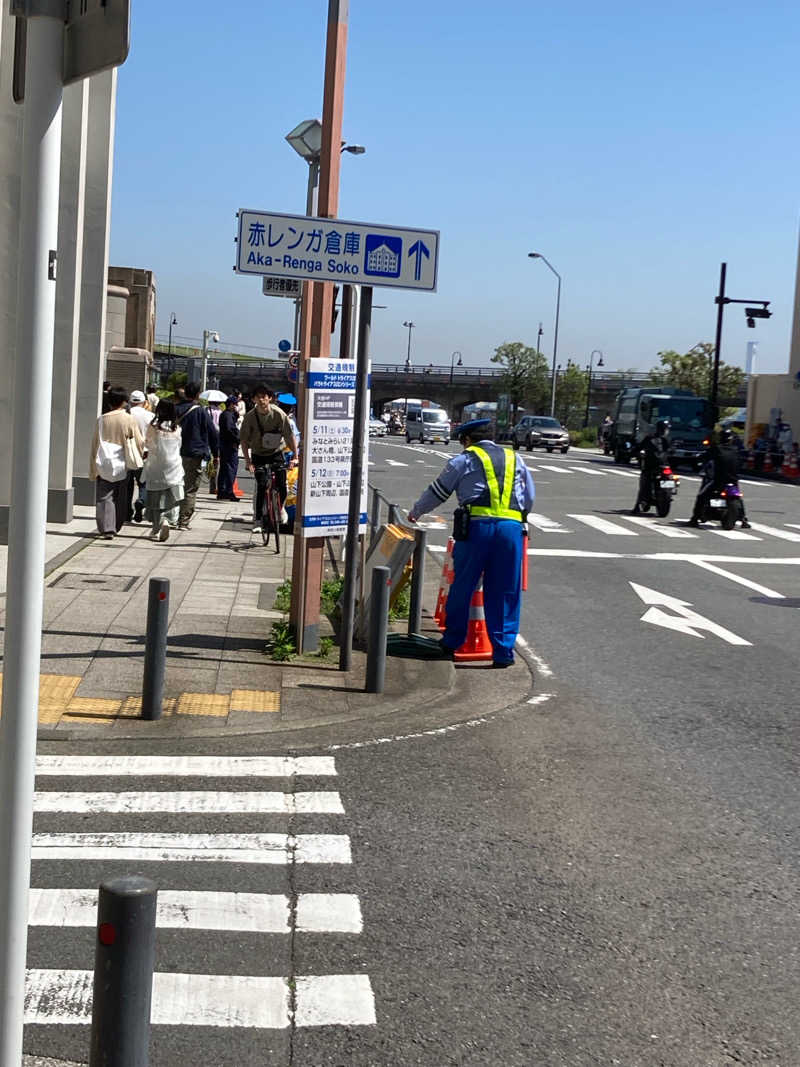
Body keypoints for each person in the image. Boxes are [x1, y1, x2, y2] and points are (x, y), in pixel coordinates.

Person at [408, 418, 535, 668]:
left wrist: (416, 511)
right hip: (511, 530)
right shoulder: (515, 459)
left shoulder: (464, 460)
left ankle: (453, 641)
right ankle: (503, 652)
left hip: (477, 528)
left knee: (463, 585)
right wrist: (522, 519)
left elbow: (438, 491)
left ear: (467, 439)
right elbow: (528, 495)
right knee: (506, 592)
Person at [240, 384, 298, 532]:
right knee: (261, 485)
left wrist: (296, 457)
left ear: (270, 398)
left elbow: (289, 436)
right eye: (258, 397)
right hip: (258, 454)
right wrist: (248, 462)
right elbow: (244, 441)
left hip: (276, 452)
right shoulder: (250, 417)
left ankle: (281, 508)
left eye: (264, 396)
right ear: (253, 399)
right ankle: (258, 519)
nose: (261, 400)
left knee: (282, 483)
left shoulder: (279, 414)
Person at [89, 386, 145, 539]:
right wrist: (140, 455)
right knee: (121, 495)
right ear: (124, 402)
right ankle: (117, 524)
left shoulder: (101, 419)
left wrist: (93, 465)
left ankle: (107, 527)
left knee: (104, 496)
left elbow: (95, 443)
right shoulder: (129, 419)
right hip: (123, 463)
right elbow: (139, 442)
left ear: (109, 403)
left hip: (104, 462)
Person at [176, 381, 218, 530]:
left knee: (174, 485)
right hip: (195, 453)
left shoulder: (176, 409)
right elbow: (212, 432)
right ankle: (183, 521)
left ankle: (170, 517)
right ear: (198, 394)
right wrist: (216, 453)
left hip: (174, 452)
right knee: (190, 488)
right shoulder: (200, 411)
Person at [140, 400, 185, 541]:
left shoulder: (153, 427)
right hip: (174, 466)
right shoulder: (176, 428)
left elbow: (148, 444)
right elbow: (179, 445)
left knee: (156, 498)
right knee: (171, 497)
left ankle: (157, 526)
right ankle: (167, 520)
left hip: (156, 466)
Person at [689, 428, 751, 527]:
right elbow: (742, 460)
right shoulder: (735, 450)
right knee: (739, 498)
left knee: (701, 496)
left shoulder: (717, 448)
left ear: (721, 438)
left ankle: (694, 519)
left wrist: (697, 459)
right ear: (731, 439)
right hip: (733, 481)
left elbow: (704, 456)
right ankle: (744, 520)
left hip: (718, 481)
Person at [632, 419, 670, 515]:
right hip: (663, 466)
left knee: (644, 483)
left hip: (652, 466)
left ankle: (637, 506)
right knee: (645, 481)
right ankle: (638, 505)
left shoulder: (650, 438)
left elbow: (638, 448)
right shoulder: (664, 440)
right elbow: (670, 451)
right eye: (666, 429)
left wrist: (636, 452)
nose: (666, 431)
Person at [128, 389, 153, 523]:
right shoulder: (150, 416)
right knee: (143, 483)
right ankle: (141, 501)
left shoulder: (126, 414)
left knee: (127, 485)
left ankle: (126, 512)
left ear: (130, 402)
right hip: (144, 453)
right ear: (144, 402)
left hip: (127, 453)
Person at [217, 395, 241, 501]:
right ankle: (228, 491)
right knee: (230, 468)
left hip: (224, 444)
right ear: (231, 405)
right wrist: (237, 439)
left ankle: (223, 491)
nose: (236, 407)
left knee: (224, 468)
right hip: (230, 445)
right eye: (235, 405)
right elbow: (230, 430)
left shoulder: (226, 415)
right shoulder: (228, 416)